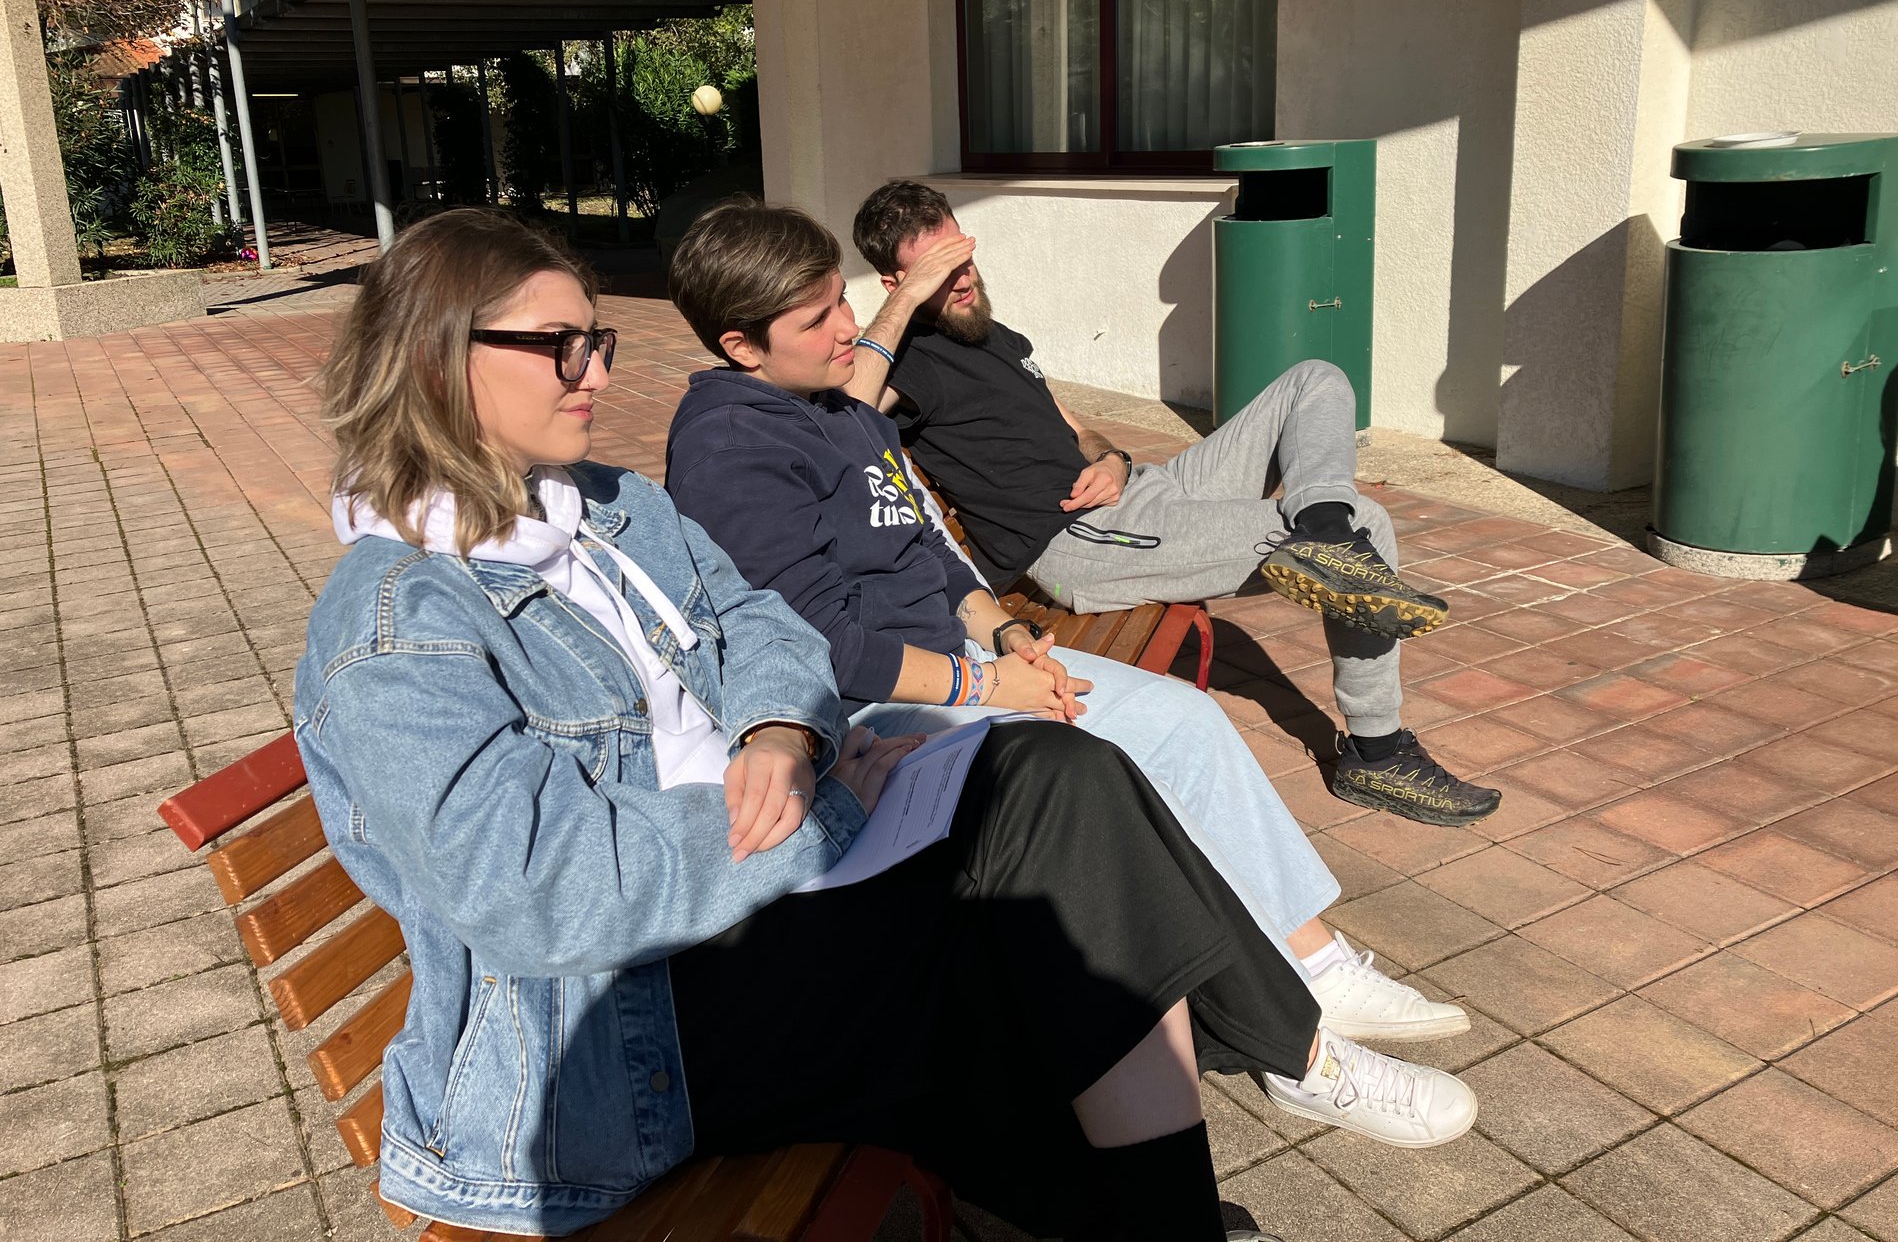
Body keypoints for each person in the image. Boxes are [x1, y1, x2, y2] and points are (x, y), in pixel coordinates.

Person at [292, 207, 1380, 1241]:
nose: (599, 374)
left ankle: (1179, 1184)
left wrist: (780, 733)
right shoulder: (398, 630)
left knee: (1053, 778)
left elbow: (760, 620)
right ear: (434, 362)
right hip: (632, 1030)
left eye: (599, 340)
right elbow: (545, 893)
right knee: (1023, 899)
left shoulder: (607, 507)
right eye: (561, 347)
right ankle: (1259, 1084)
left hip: (756, 897)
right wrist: (822, 809)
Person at [662, 198, 1481, 1155]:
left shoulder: (836, 406)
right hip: (878, 712)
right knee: (1103, 790)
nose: (849, 329)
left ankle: (1319, 965)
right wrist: (985, 689)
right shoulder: (731, 447)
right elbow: (825, 646)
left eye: (839, 302)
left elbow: (932, 560)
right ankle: (1288, 1049)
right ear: (741, 346)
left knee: (1182, 722)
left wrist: (1008, 636)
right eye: (817, 320)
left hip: (966, 663)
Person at [842, 179, 1501, 829]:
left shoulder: (994, 335)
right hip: (1083, 539)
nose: (961, 278)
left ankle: (1323, 530)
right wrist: (902, 307)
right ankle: (1376, 754)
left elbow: (1075, 429)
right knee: (1371, 522)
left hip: (1145, 490)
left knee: (1315, 379)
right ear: (899, 284)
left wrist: (1110, 458)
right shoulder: (906, 363)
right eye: (937, 270)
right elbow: (845, 417)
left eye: (962, 255)